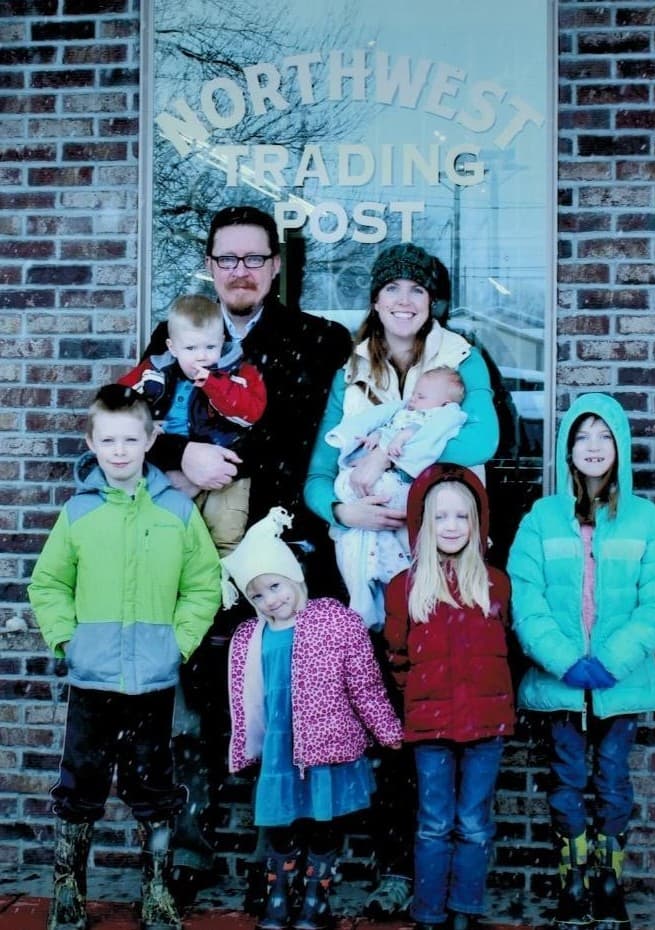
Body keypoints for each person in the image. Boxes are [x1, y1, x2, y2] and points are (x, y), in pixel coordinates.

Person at [143, 206, 352, 899]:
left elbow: (301, 433)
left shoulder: (316, 340)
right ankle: (188, 856)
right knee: (190, 705)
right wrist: (181, 453)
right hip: (191, 543)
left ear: (274, 266)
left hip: (277, 542)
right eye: (227, 259)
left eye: (253, 259)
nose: (240, 271)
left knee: (280, 697)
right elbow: (130, 421)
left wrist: (217, 457)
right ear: (209, 264)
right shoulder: (172, 337)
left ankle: (277, 860)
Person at [304, 242, 499, 917]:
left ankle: (436, 882)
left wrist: (400, 455)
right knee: (387, 723)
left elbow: (481, 443)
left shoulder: (462, 359)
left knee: (431, 721)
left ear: (431, 302)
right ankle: (393, 864)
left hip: (438, 567)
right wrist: (340, 507)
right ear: (376, 300)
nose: (405, 301)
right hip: (368, 553)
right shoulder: (352, 370)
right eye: (393, 290)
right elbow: (317, 471)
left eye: (417, 291)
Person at [27, 384, 221, 930]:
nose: (118, 451)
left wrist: (177, 644)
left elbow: (204, 584)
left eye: (130, 440)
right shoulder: (79, 513)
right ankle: (68, 889)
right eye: (107, 440)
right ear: (91, 442)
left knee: (153, 788)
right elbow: (48, 583)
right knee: (80, 786)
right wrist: (69, 641)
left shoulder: (178, 511)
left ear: (150, 440)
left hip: (153, 682)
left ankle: (156, 889)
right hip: (93, 679)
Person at [507, 393, 655, 930]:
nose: (593, 447)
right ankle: (573, 882)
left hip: (619, 682)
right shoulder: (542, 519)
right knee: (564, 780)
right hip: (562, 684)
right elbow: (525, 597)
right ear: (566, 448)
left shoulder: (648, 522)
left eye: (604, 436)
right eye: (582, 436)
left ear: (620, 447)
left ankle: (610, 883)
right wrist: (564, 661)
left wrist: (612, 659)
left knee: (612, 780)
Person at [222, 507, 403, 930]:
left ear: (294, 578)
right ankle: (279, 897)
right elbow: (243, 698)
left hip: (326, 746)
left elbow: (365, 684)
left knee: (324, 823)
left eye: (275, 586)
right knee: (282, 825)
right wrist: (244, 744)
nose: (272, 600)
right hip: (279, 749)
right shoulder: (250, 635)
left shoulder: (335, 620)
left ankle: (315, 900)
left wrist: (387, 729)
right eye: (259, 596)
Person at [383, 464, 515, 930]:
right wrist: (420, 698)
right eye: (441, 517)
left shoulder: (495, 583)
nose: (452, 526)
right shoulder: (405, 587)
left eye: (462, 516)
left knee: (474, 824)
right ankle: (429, 913)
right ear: (423, 524)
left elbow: (507, 649)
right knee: (434, 823)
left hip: (486, 725)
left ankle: (465, 910)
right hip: (430, 727)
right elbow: (397, 655)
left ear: (476, 523)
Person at [119, 294, 267, 555]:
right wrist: (147, 426)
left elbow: (249, 413)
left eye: (210, 347)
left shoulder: (238, 372)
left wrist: (214, 383)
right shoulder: (155, 371)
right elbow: (118, 405)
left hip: (226, 473)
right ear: (172, 347)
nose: (201, 357)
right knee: (167, 538)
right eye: (190, 349)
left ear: (222, 342)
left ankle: (222, 591)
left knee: (224, 540)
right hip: (170, 470)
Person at [325, 366, 467, 627]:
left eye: (421, 397)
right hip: (376, 482)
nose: (413, 400)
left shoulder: (433, 418)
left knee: (361, 521)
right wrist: (374, 439)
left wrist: (389, 449)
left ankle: (371, 597)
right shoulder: (407, 412)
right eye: (414, 394)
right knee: (364, 532)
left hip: (399, 482)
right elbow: (388, 429)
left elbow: (411, 435)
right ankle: (383, 580)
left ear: (444, 403)